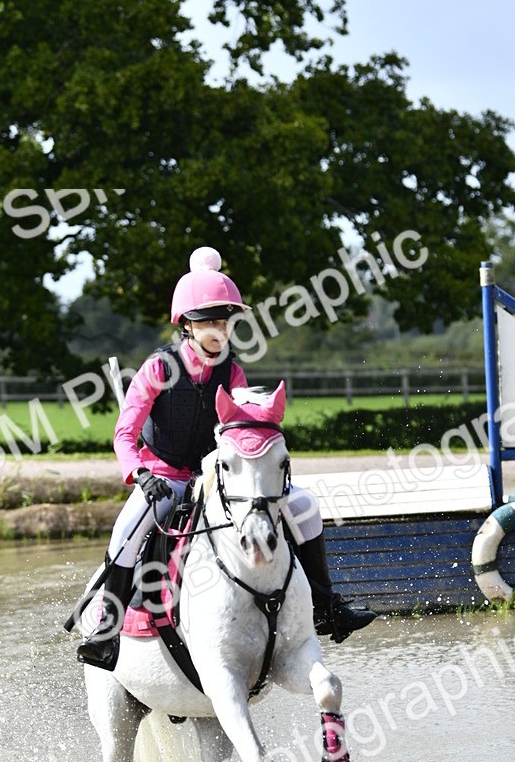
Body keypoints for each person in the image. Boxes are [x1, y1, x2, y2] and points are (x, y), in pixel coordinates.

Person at [76, 247, 375, 671]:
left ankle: (326, 606)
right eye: (210, 321)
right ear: (186, 324)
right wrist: (140, 475)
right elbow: (125, 433)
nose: (220, 329)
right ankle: (106, 629)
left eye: (225, 321)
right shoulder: (158, 368)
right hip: (162, 476)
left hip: (212, 478)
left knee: (305, 506)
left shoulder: (232, 372)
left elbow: (241, 432)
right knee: (126, 531)